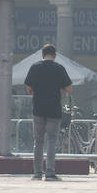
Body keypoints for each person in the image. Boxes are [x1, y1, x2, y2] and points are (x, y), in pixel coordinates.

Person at [24, 44, 73, 181]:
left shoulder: (35, 67)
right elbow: (69, 89)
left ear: (42, 54)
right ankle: (50, 173)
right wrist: (60, 90)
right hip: (54, 110)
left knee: (38, 141)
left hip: (38, 109)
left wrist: (37, 91)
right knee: (52, 141)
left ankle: (37, 173)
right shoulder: (59, 68)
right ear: (55, 55)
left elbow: (28, 89)